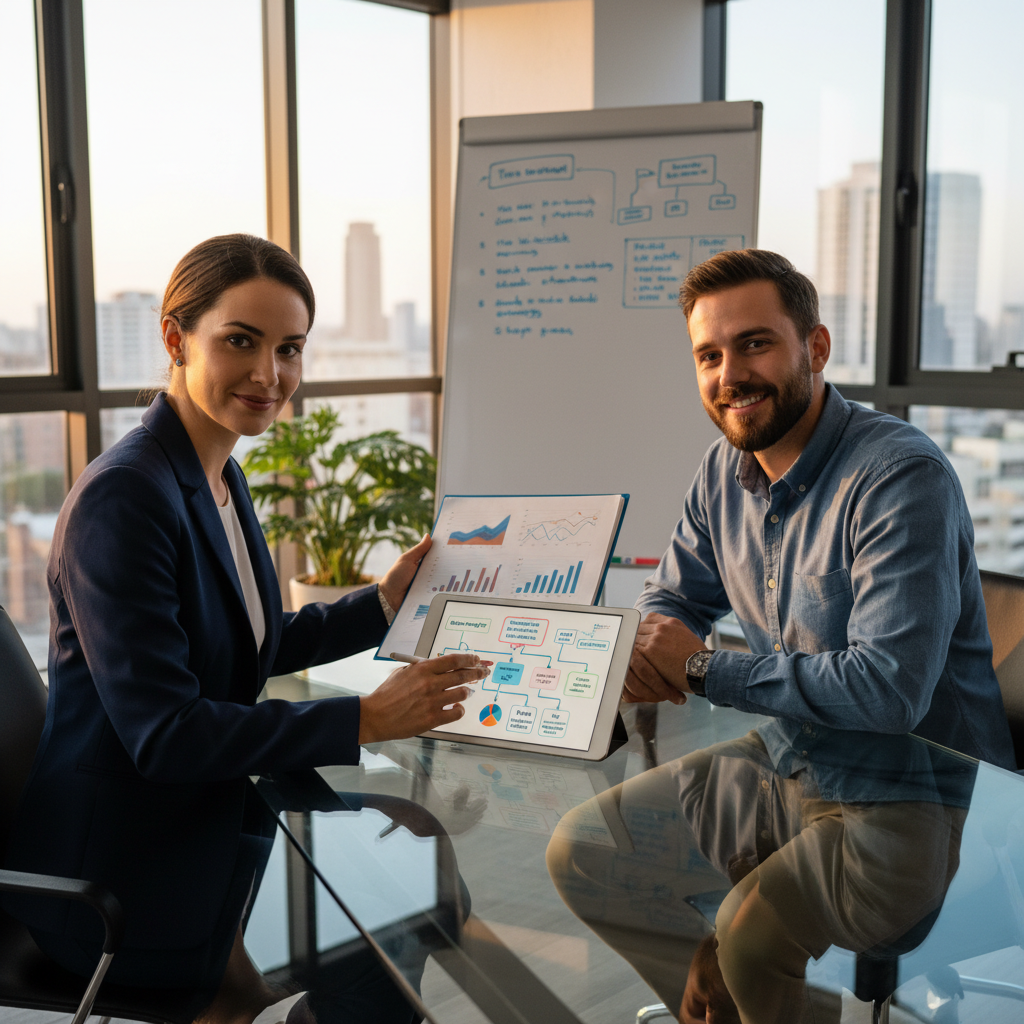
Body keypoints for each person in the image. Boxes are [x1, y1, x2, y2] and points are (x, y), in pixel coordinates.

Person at [2, 234, 487, 1024]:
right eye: (241, 341)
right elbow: (166, 735)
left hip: (196, 818)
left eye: (289, 349)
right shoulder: (125, 500)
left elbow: (241, 647)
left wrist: (381, 604)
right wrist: (364, 717)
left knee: (424, 886)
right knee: (374, 953)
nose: (271, 375)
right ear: (175, 337)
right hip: (123, 869)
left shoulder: (215, 473)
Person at [547, 248, 1014, 1022]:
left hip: (915, 796)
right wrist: (654, 647)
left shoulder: (900, 477)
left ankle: (748, 967)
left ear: (815, 348)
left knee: (753, 935)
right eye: (709, 355)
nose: (731, 373)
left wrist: (697, 668)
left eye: (755, 343)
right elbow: (674, 597)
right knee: (586, 851)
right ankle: (744, 991)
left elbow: (888, 691)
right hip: (793, 760)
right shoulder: (720, 471)